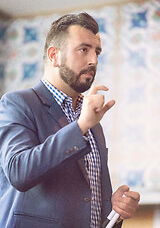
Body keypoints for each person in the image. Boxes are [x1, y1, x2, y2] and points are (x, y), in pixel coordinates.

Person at [0, 12, 140, 228]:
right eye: (84, 49)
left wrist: (115, 212)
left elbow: (88, 204)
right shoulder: (17, 103)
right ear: (54, 55)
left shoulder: (94, 124)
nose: (93, 60)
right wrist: (81, 126)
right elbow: (19, 172)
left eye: (97, 52)